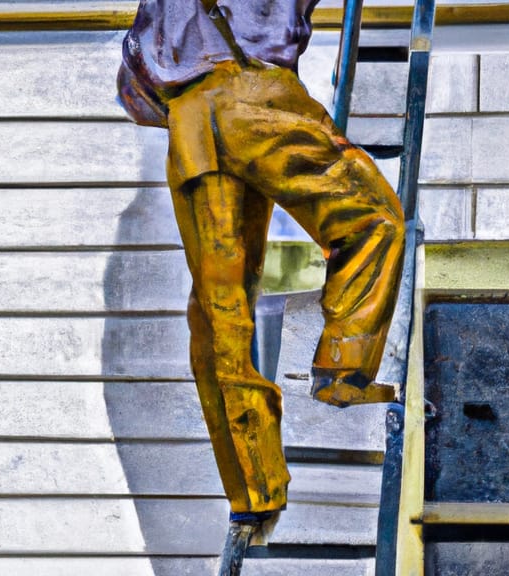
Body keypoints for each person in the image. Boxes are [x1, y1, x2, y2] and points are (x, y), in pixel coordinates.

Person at [117, 0, 405, 528]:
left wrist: (188, 85)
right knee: (374, 220)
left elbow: (133, 92)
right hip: (257, 96)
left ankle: (254, 490)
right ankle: (343, 365)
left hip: (191, 122)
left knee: (219, 313)